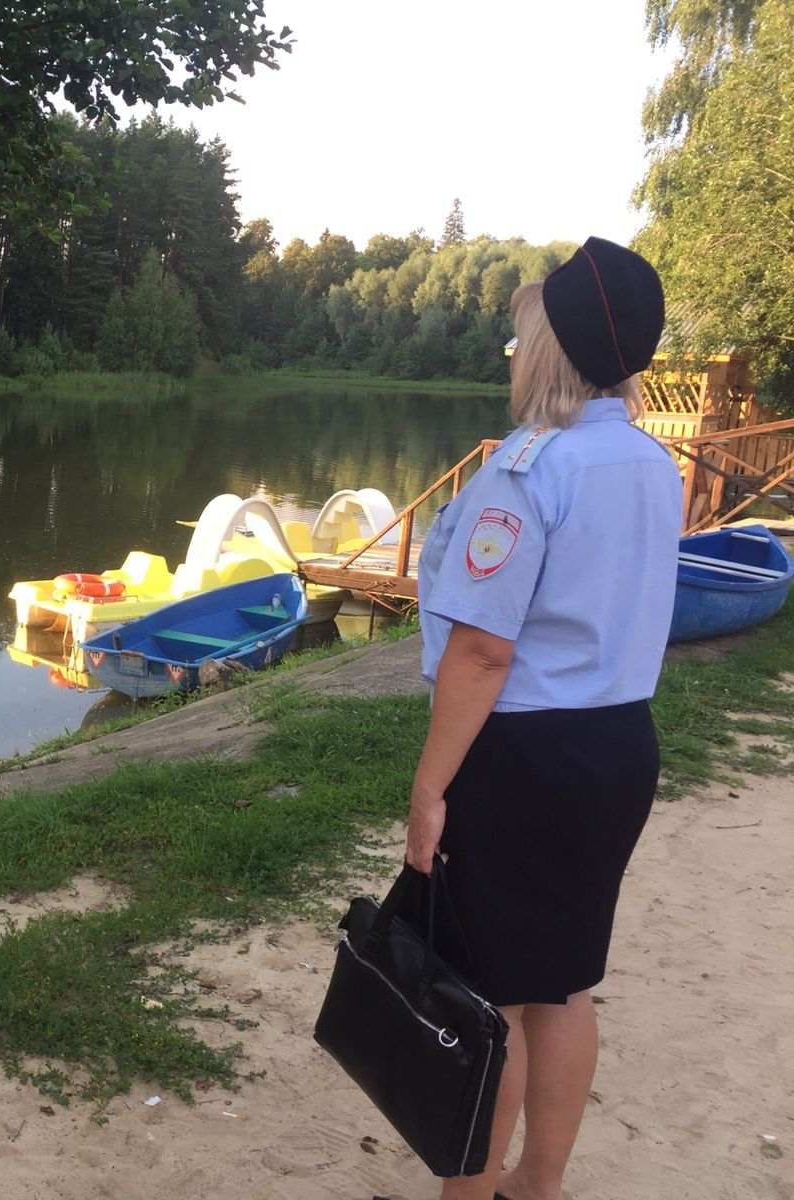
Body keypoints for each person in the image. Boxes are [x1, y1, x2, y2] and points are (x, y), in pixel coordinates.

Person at [408, 237, 679, 1200]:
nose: (515, 359)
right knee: (561, 983)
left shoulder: (531, 472)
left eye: (521, 341)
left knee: (488, 1000)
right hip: (618, 745)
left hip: (522, 756)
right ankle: (539, 1183)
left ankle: (471, 1194)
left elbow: (483, 652)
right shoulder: (654, 465)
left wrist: (431, 786)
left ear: (550, 350)